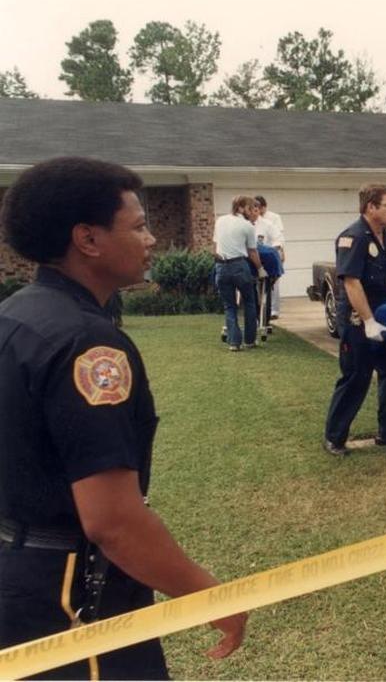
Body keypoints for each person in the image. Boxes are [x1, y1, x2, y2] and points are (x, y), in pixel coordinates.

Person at [0, 157, 248, 679]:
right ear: (88, 240)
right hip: (71, 593)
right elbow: (112, 520)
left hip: (18, 573)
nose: (152, 239)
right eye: (138, 226)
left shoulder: (17, 314)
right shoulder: (89, 345)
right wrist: (210, 595)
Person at [323, 184, 386, 457]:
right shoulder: (353, 238)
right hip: (358, 320)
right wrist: (368, 321)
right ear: (370, 207)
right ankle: (334, 437)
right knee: (356, 377)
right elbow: (352, 283)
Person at [213, 196, 263, 351]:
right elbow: (252, 252)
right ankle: (249, 340)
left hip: (221, 266)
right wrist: (261, 269)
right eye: (249, 208)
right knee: (249, 302)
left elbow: (215, 247)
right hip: (239, 266)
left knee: (229, 306)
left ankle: (234, 343)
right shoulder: (247, 226)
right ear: (241, 208)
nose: (251, 211)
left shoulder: (220, 221)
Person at [254, 195, 285, 319]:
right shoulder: (248, 221)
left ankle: (273, 310)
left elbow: (279, 237)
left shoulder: (273, 219)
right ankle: (257, 309)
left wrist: (278, 251)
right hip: (255, 256)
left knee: (272, 284)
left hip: (270, 255)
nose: (257, 211)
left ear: (263, 207)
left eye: (258, 208)